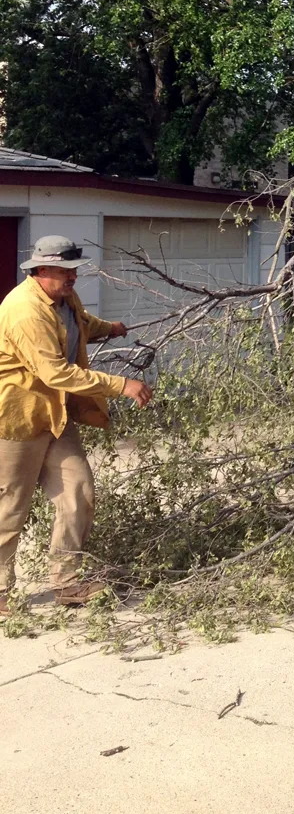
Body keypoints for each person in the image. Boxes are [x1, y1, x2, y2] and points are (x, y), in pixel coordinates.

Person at [0, 235, 153, 616]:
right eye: (65, 271)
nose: (73, 277)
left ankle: (67, 584)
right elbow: (54, 372)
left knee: (79, 492)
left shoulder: (64, 297)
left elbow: (79, 324)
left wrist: (109, 328)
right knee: (10, 506)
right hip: (18, 418)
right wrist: (121, 385)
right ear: (39, 270)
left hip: (57, 415)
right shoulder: (24, 311)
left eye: (74, 270)